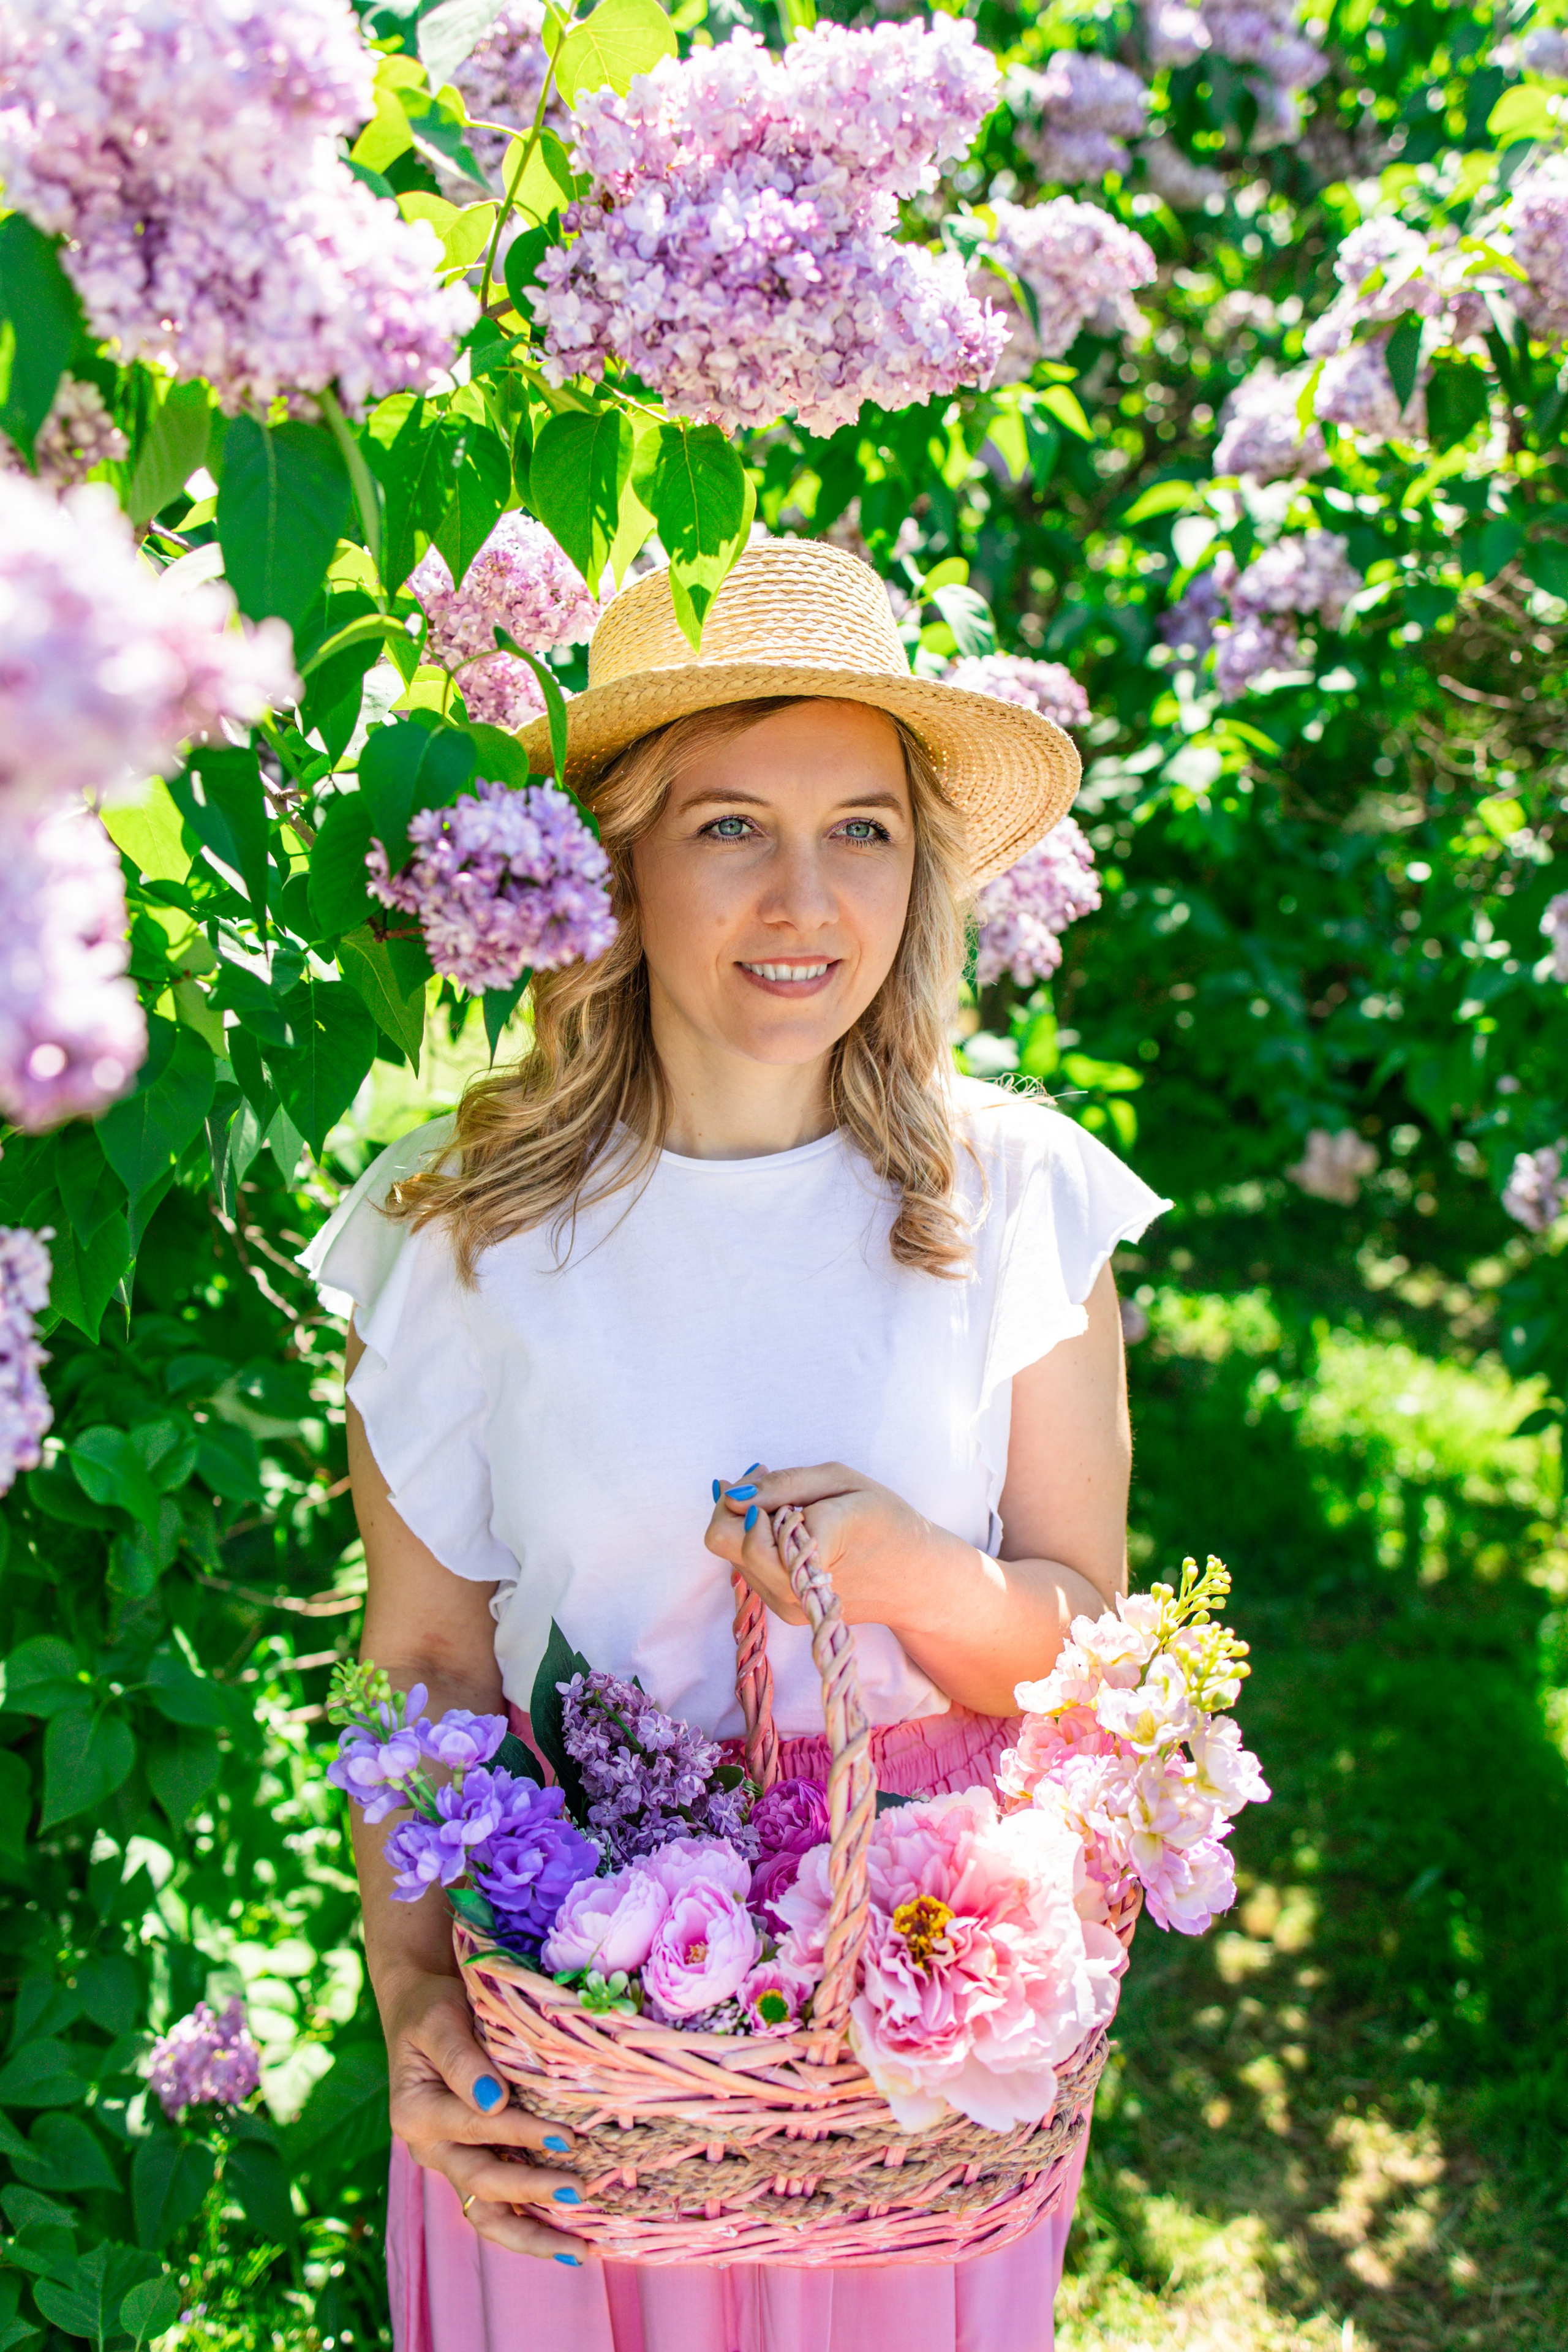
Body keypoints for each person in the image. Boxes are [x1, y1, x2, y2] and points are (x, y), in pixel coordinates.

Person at [304, 538, 1168, 2352]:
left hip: (903, 2051)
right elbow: (427, 1660)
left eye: (863, 828)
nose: (807, 897)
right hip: (577, 2035)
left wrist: (922, 1577)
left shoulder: (1016, 1199)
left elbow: (1090, 1640)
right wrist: (413, 1995)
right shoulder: (456, 1228)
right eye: (728, 827)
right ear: (614, 864)